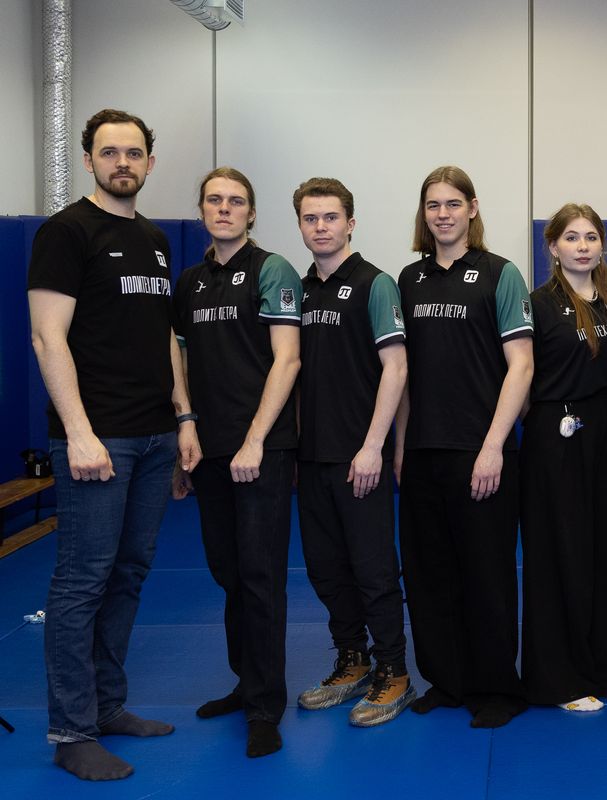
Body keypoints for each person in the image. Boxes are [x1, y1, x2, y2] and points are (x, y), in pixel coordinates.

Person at [27, 108, 202, 781]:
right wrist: (78, 432)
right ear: (89, 160)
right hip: (99, 438)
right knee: (83, 581)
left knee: (128, 574)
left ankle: (106, 706)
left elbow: (164, 337)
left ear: (150, 163)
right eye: (109, 152)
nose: (122, 162)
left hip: (155, 435)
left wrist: (183, 418)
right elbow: (48, 336)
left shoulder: (154, 239)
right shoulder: (66, 232)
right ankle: (72, 732)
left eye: (133, 153)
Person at [396, 166, 533, 729]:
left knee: (487, 574)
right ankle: (446, 680)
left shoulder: (500, 274)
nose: (443, 214)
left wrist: (494, 446)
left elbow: (521, 366)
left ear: (472, 209)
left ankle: (497, 687)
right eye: (433, 205)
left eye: (454, 204)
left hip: (482, 452)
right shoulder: (409, 278)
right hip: (423, 452)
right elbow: (403, 373)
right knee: (429, 575)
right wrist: (401, 447)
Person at [171, 167, 301, 757]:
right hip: (208, 448)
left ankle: (265, 705)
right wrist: (185, 423)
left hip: (261, 449)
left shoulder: (272, 270)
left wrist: (254, 439)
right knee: (227, 571)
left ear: (251, 213)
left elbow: (287, 360)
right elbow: (176, 352)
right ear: (202, 210)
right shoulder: (191, 281)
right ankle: (245, 681)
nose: (224, 209)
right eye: (214, 200)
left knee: (259, 575)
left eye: (236, 201)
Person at [292, 177, 413, 727]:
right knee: (326, 569)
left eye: (330, 217)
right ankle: (353, 660)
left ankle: (394, 670)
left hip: (358, 456)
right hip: (311, 456)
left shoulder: (374, 284)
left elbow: (396, 368)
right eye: (310, 218)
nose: (321, 227)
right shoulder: (299, 290)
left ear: (350, 223)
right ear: (300, 225)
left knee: (373, 569)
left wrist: (373, 447)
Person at [520, 203, 607, 713]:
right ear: (553, 246)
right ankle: (560, 678)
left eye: (591, 236)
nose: (583, 246)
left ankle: (606, 667)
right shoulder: (537, 304)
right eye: (571, 237)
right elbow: (523, 377)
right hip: (556, 433)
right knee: (561, 553)